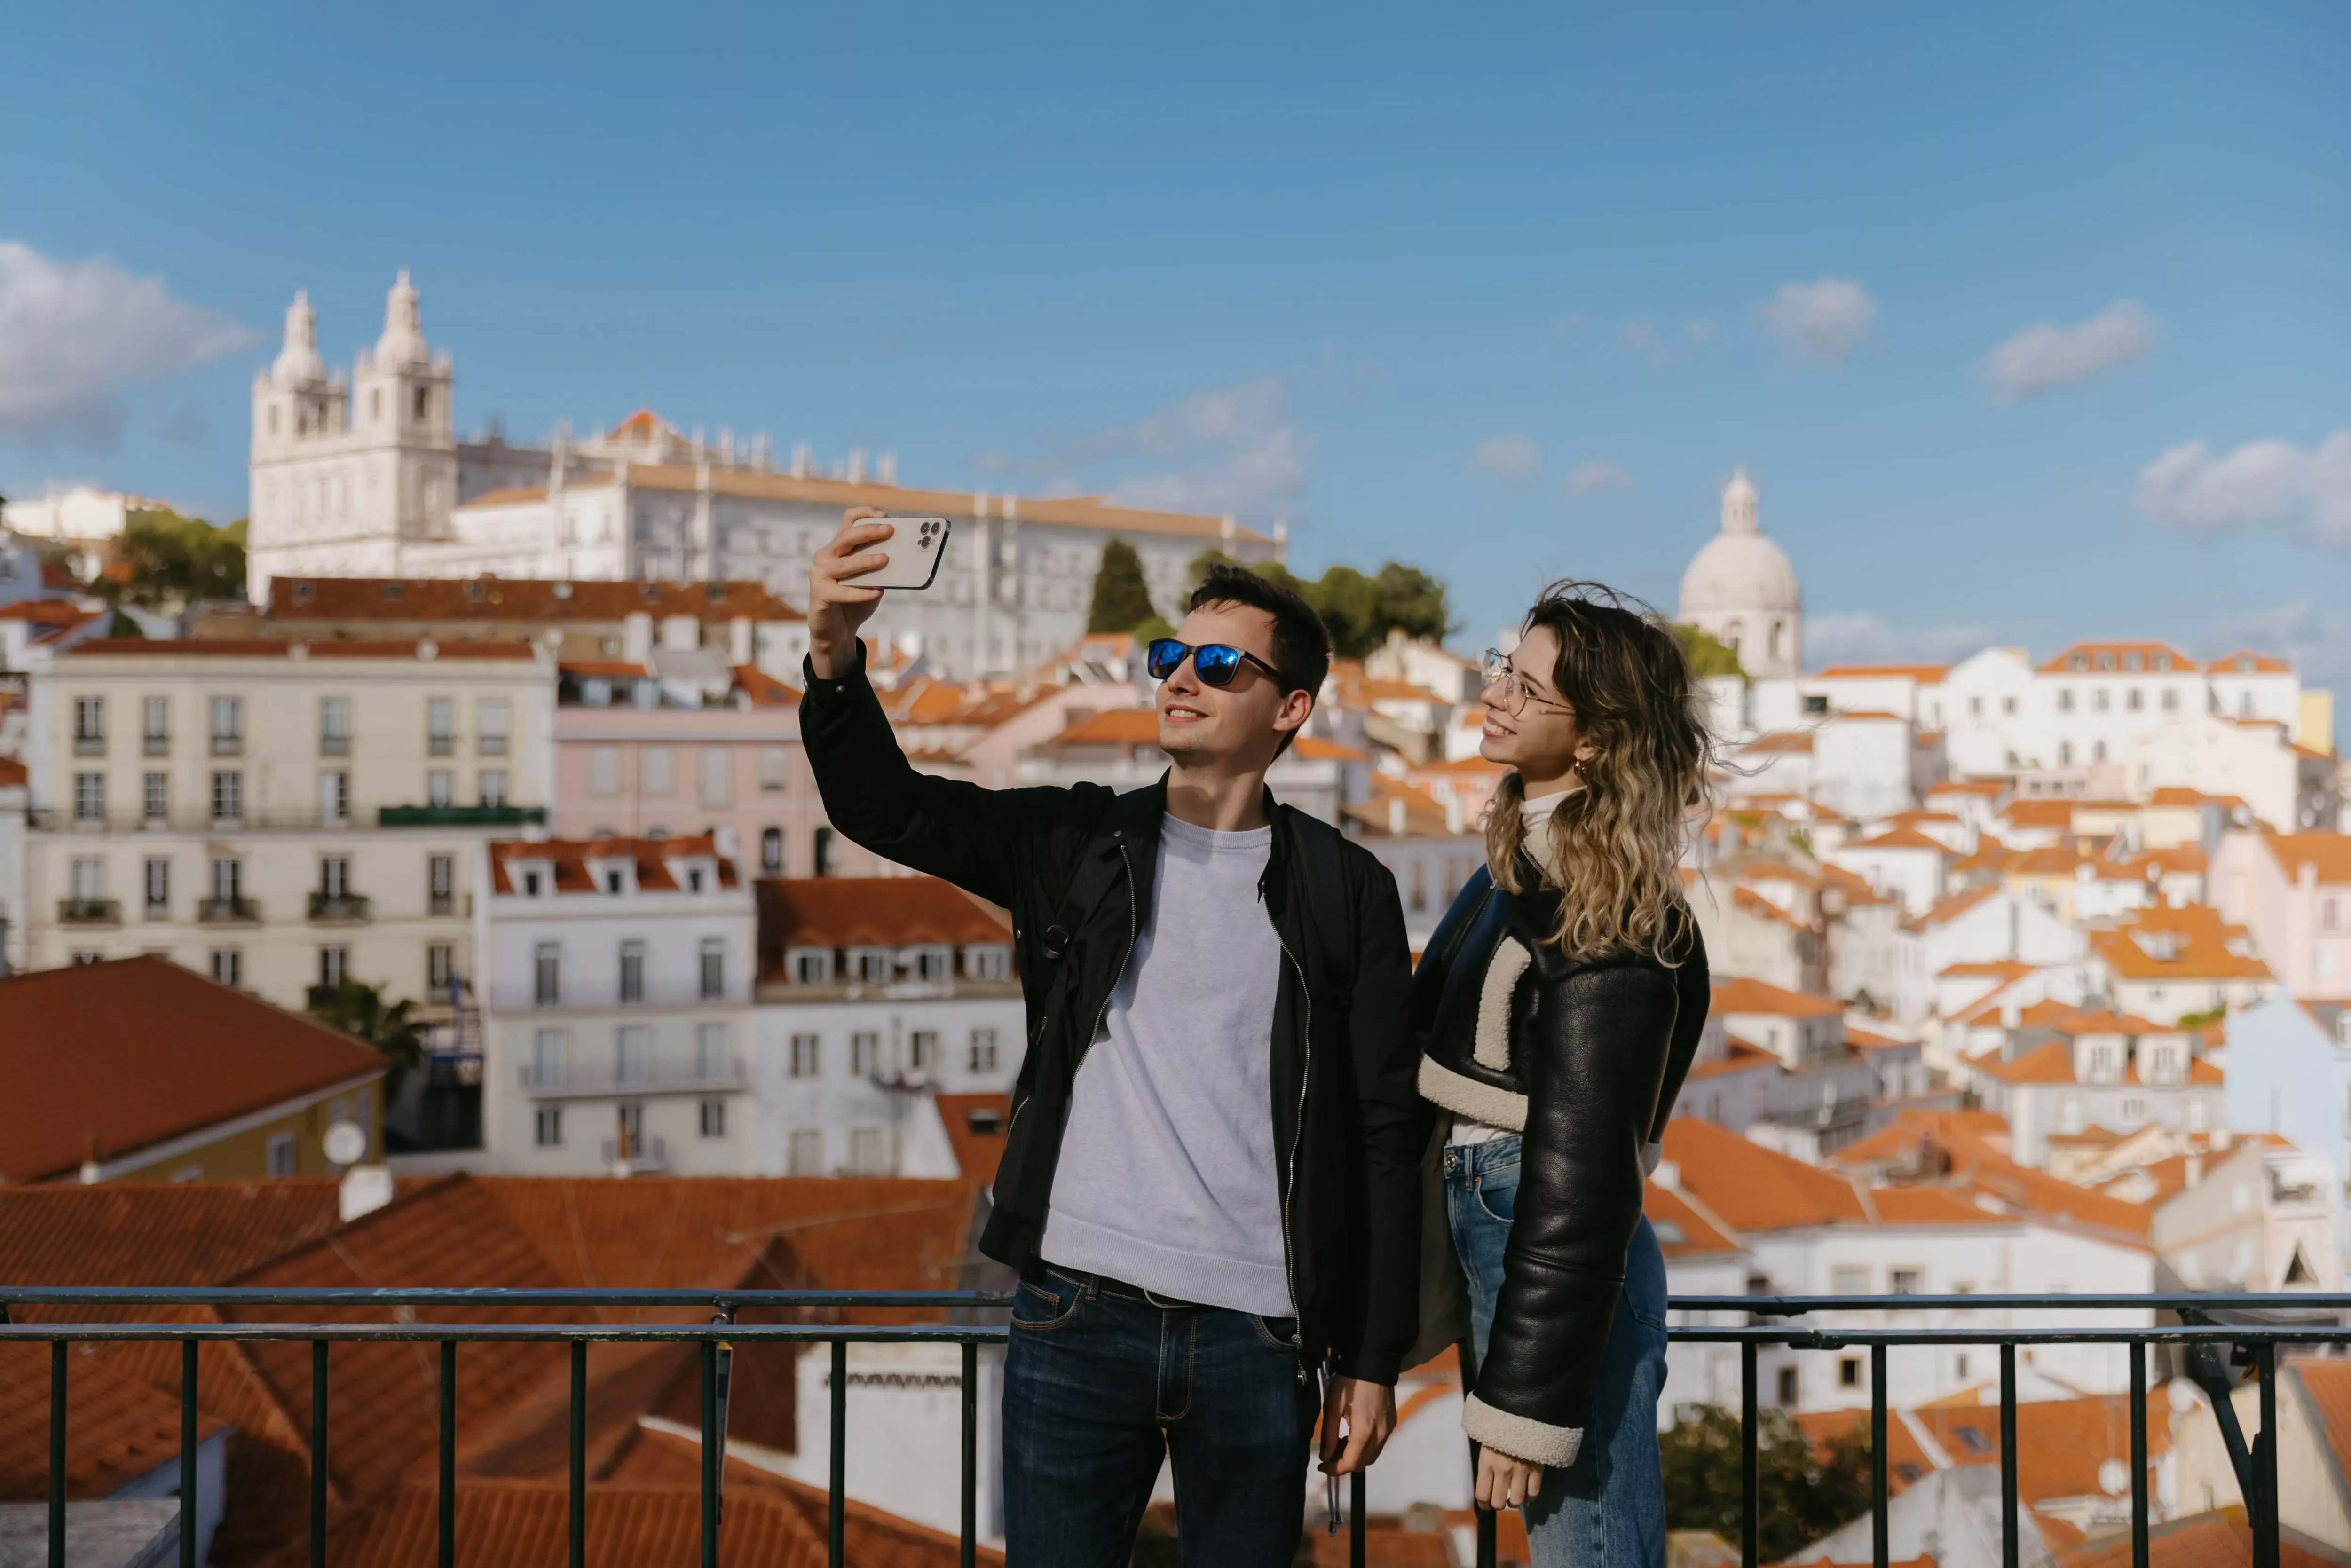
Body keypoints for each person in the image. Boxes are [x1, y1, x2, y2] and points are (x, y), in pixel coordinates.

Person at [800, 507, 1420, 1567]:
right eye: (1169, 654)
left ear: (1291, 708)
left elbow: (1382, 1130)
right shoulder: (1078, 842)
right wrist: (832, 651)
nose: (1180, 675)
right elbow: (884, 808)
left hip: (1258, 1336)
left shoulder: (1344, 889)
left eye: (1219, 663)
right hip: (1073, 1311)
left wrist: (1369, 1359)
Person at [1410, 581, 1714, 1568]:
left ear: (1590, 741)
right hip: (1513, 1225)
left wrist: (1531, 1402)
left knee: (1588, 1544)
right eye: (1505, 667)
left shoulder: (1606, 903)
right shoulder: (1525, 858)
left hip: (1543, 1241)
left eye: (1527, 684)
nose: (1495, 691)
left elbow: (1584, 1163)